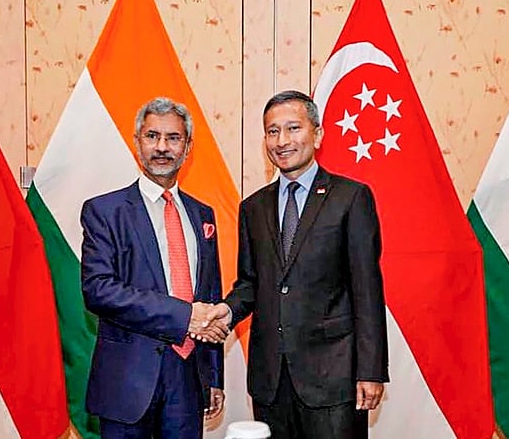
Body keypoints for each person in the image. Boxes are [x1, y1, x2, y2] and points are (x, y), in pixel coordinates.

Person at [213, 90, 389, 438]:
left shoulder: (350, 197)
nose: (282, 141)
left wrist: (370, 370)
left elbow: (367, 289)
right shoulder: (253, 208)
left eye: (293, 128)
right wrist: (226, 312)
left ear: (318, 134)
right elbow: (250, 283)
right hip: (271, 380)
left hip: (334, 378)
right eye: (272, 131)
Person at [81, 97, 227, 438]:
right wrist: (184, 316)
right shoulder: (105, 211)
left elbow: (211, 295)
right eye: (152, 136)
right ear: (137, 142)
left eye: (173, 138)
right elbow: (99, 289)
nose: (162, 147)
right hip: (127, 383)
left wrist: (214, 376)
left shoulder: (202, 214)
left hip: (189, 381)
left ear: (188, 147)